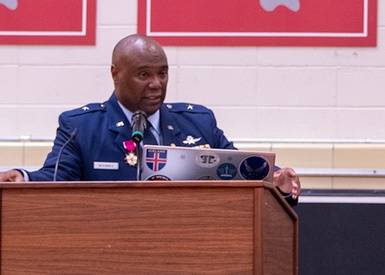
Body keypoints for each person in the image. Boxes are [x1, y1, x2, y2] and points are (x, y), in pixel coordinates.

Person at [0, 34, 301, 201]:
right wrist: (22, 178)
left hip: (194, 258)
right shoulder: (82, 127)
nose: (156, 83)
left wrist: (275, 184)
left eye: (162, 73)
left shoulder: (199, 123)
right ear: (116, 74)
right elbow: (56, 180)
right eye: (144, 74)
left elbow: (239, 178)